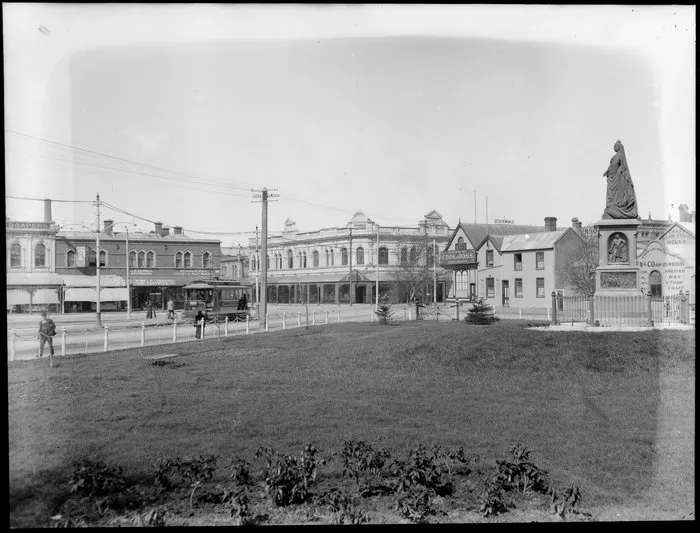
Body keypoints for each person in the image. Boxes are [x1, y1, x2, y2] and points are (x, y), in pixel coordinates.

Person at [602, 140, 638, 219]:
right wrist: (607, 171)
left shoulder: (619, 155)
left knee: (617, 194)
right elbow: (613, 166)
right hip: (614, 177)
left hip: (617, 178)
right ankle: (614, 206)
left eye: (615, 146)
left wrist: (608, 172)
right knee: (615, 195)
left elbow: (614, 165)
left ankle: (616, 207)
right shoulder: (618, 155)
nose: (613, 148)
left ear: (618, 147)